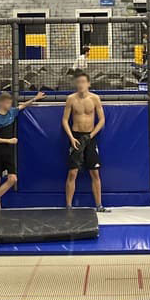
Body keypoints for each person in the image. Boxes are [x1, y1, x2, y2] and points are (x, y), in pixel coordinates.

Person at [0, 90, 45, 210]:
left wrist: (35, 98)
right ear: (1, 103)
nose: (9, 105)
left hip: (9, 152)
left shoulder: (12, 112)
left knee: (12, 179)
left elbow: (23, 106)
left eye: (10, 103)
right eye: (7, 103)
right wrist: (8, 141)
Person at [62, 72, 108, 211]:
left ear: (88, 84)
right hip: (76, 137)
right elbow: (64, 120)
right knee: (72, 172)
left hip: (90, 137)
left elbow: (101, 120)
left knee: (94, 172)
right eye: (78, 82)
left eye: (83, 82)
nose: (81, 85)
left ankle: (99, 205)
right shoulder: (71, 99)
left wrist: (91, 135)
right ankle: (69, 206)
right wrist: (71, 137)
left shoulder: (95, 99)